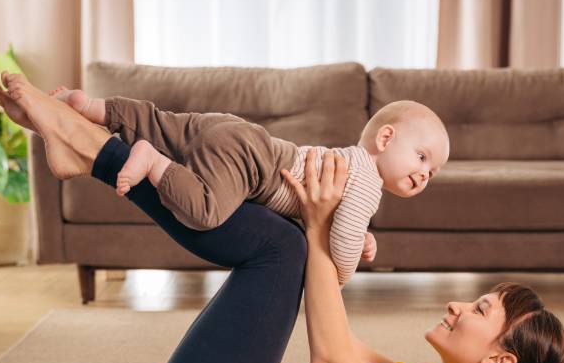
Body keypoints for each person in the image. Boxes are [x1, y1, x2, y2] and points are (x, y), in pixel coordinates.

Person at [0, 73, 564, 363]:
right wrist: (321, 227)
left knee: (287, 249)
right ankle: (93, 145)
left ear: (500, 360)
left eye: (479, 311)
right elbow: (340, 338)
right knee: (282, 242)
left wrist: (322, 230)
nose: (457, 306)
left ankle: (93, 144)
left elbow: (331, 359)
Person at [23, 78, 448, 286]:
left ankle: (90, 107)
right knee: (205, 211)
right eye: (423, 157)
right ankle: (152, 161)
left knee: (162, 123)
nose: (425, 173)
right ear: (385, 138)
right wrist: (354, 253)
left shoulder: (349, 164)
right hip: (251, 163)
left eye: (432, 172)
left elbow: (339, 223)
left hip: (238, 132)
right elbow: (338, 267)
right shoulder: (367, 185)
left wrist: (361, 237)